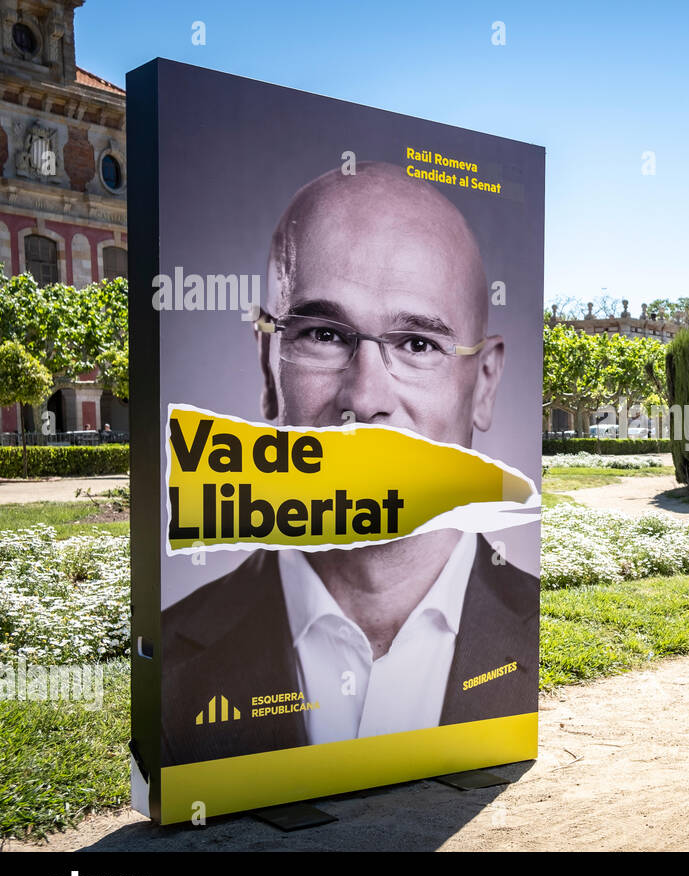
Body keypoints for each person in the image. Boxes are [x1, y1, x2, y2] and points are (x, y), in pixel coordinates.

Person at [160, 163, 538, 766]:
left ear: (484, 382)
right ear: (268, 363)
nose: (364, 400)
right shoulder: (169, 661)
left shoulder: (537, 633)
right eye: (324, 335)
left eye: (418, 344)